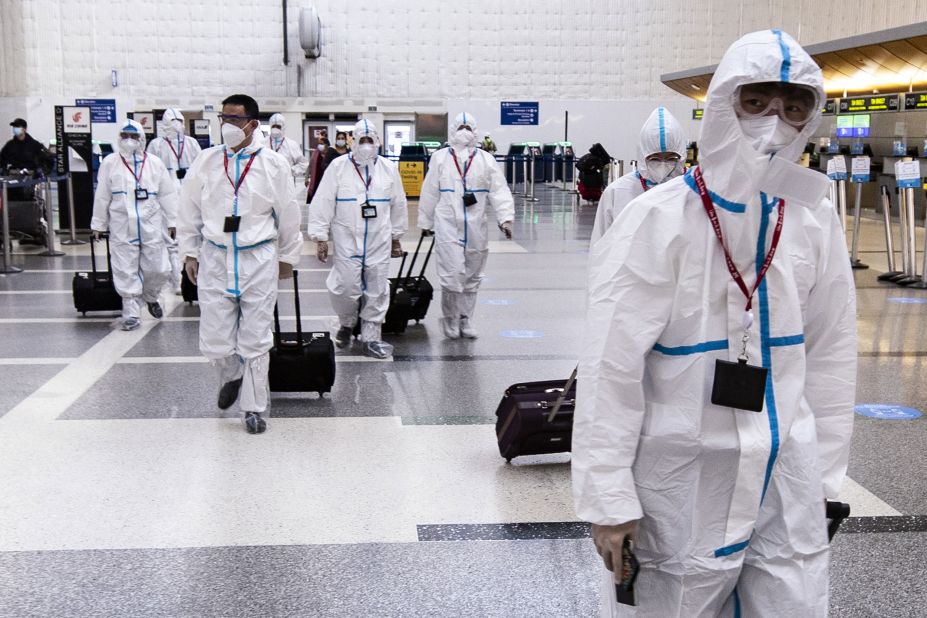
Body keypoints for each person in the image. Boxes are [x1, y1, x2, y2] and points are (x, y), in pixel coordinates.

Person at [572, 30, 857, 617]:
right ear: (726, 103)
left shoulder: (812, 217)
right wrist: (609, 499)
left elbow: (832, 354)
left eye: (793, 105)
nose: (775, 120)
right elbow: (611, 366)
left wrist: (826, 481)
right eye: (757, 102)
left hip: (786, 480)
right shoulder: (654, 219)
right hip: (681, 483)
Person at [177, 94, 302, 434]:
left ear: (252, 124)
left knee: (256, 338)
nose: (228, 126)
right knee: (214, 339)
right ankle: (232, 373)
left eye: (235, 120)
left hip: (258, 257)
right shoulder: (206, 161)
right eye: (224, 119)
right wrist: (189, 252)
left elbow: (288, 214)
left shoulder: (272, 164)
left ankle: (254, 408)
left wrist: (288, 257)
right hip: (215, 256)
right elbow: (189, 210)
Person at [308, 118, 408, 358]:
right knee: (345, 286)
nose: (366, 145)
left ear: (377, 142)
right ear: (353, 142)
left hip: (378, 238)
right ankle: (346, 323)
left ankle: (372, 337)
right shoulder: (338, 167)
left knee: (377, 286)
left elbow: (399, 204)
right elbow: (323, 202)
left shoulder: (388, 168)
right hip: (347, 237)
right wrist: (321, 237)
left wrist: (396, 236)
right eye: (361, 140)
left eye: (369, 140)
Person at [418, 112, 514, 339]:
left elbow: (499, 190)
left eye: (468, 127)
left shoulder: (485, 159)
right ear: (452, 130)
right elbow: (429, 191)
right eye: (460, 127)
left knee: (473, 275)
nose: (464, 131)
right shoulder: (440, 158)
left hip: (476, 223)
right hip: (447, 223)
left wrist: (505, 218)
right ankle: (450, 318)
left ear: (476, 131)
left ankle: (465, 318)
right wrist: (425, 221)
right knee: (451, 274)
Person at [90, 119, 177, 331]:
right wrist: (98, 223)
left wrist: (173, 220)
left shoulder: (154, 163)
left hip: (151, 222)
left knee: (159, 267)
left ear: (142, 139)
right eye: (125, 136)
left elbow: (167, 194)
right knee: (124, 268)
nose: (129, 141)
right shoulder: (110, 162)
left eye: (134, 136)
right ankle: (131, 312)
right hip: (122, 224)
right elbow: (102, 196)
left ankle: (151, 296)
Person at [589, 107, 687, 245]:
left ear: (682, 156)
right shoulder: (617, 193)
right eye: (654, 159)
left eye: (672, 158)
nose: (663, 166)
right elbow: (600, 243)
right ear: (642, 156)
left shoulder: (696, 191)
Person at [147, 109, 203, 294]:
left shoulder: (191, 143)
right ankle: (177, 280)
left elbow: (201, 167)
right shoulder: (156, 145)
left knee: (192, 235)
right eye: (173, 120)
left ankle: (191, 278)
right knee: (170, 240)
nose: (177, 123)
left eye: (180, 120)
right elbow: (150, 171)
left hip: (189, 193)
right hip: (166, 197)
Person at [267, 113, 308, 182]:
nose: (275, 129)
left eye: (278, 126)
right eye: (273, 126)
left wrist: (289, 171)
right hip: (267, 183)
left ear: (283, 127)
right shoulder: (262, 143)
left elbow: (304, 164)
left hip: (286, 183)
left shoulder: (292, 145)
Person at [306, 136, 332, 203]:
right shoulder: (315, 153)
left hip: (327, 181)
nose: (320, 145)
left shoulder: (331, 153)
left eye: (322, 143)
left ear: (327, 145)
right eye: (319, 143)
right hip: (316, 181)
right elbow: (310, 166)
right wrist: (306, 178)